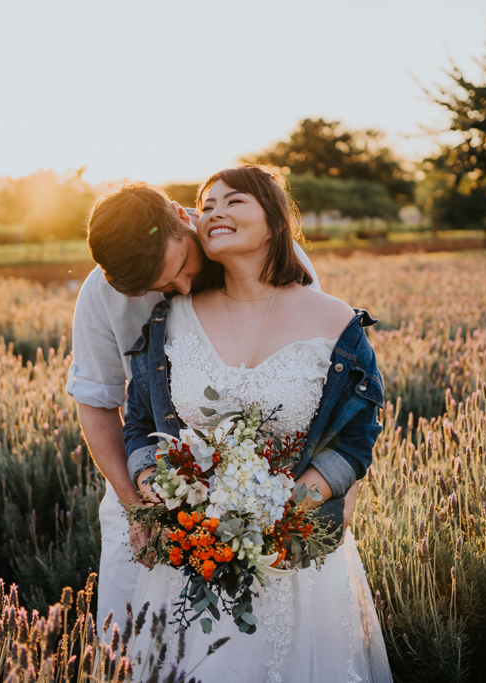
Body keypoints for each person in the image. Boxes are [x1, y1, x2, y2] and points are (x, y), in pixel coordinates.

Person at [122, 166, 392, 682]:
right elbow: (137, 423)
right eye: (206, 204)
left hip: (296, 563)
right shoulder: (168, 319)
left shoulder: (335, 321)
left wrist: (286, 514)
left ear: (273, 220)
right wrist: (156, 485)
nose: (215, 211)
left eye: (234, 200)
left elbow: (358, 438)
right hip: (193, 561)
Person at [66, 181, 321, 631]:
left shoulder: (267, 253)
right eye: (159, 287)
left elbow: (313, 376)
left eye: (182, 265)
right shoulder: (100, 294)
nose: (182, 286)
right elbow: (97, 403)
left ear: (182, 217)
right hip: (142, 487)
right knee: (133, 637)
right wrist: (137, 509)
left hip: (259, 501)